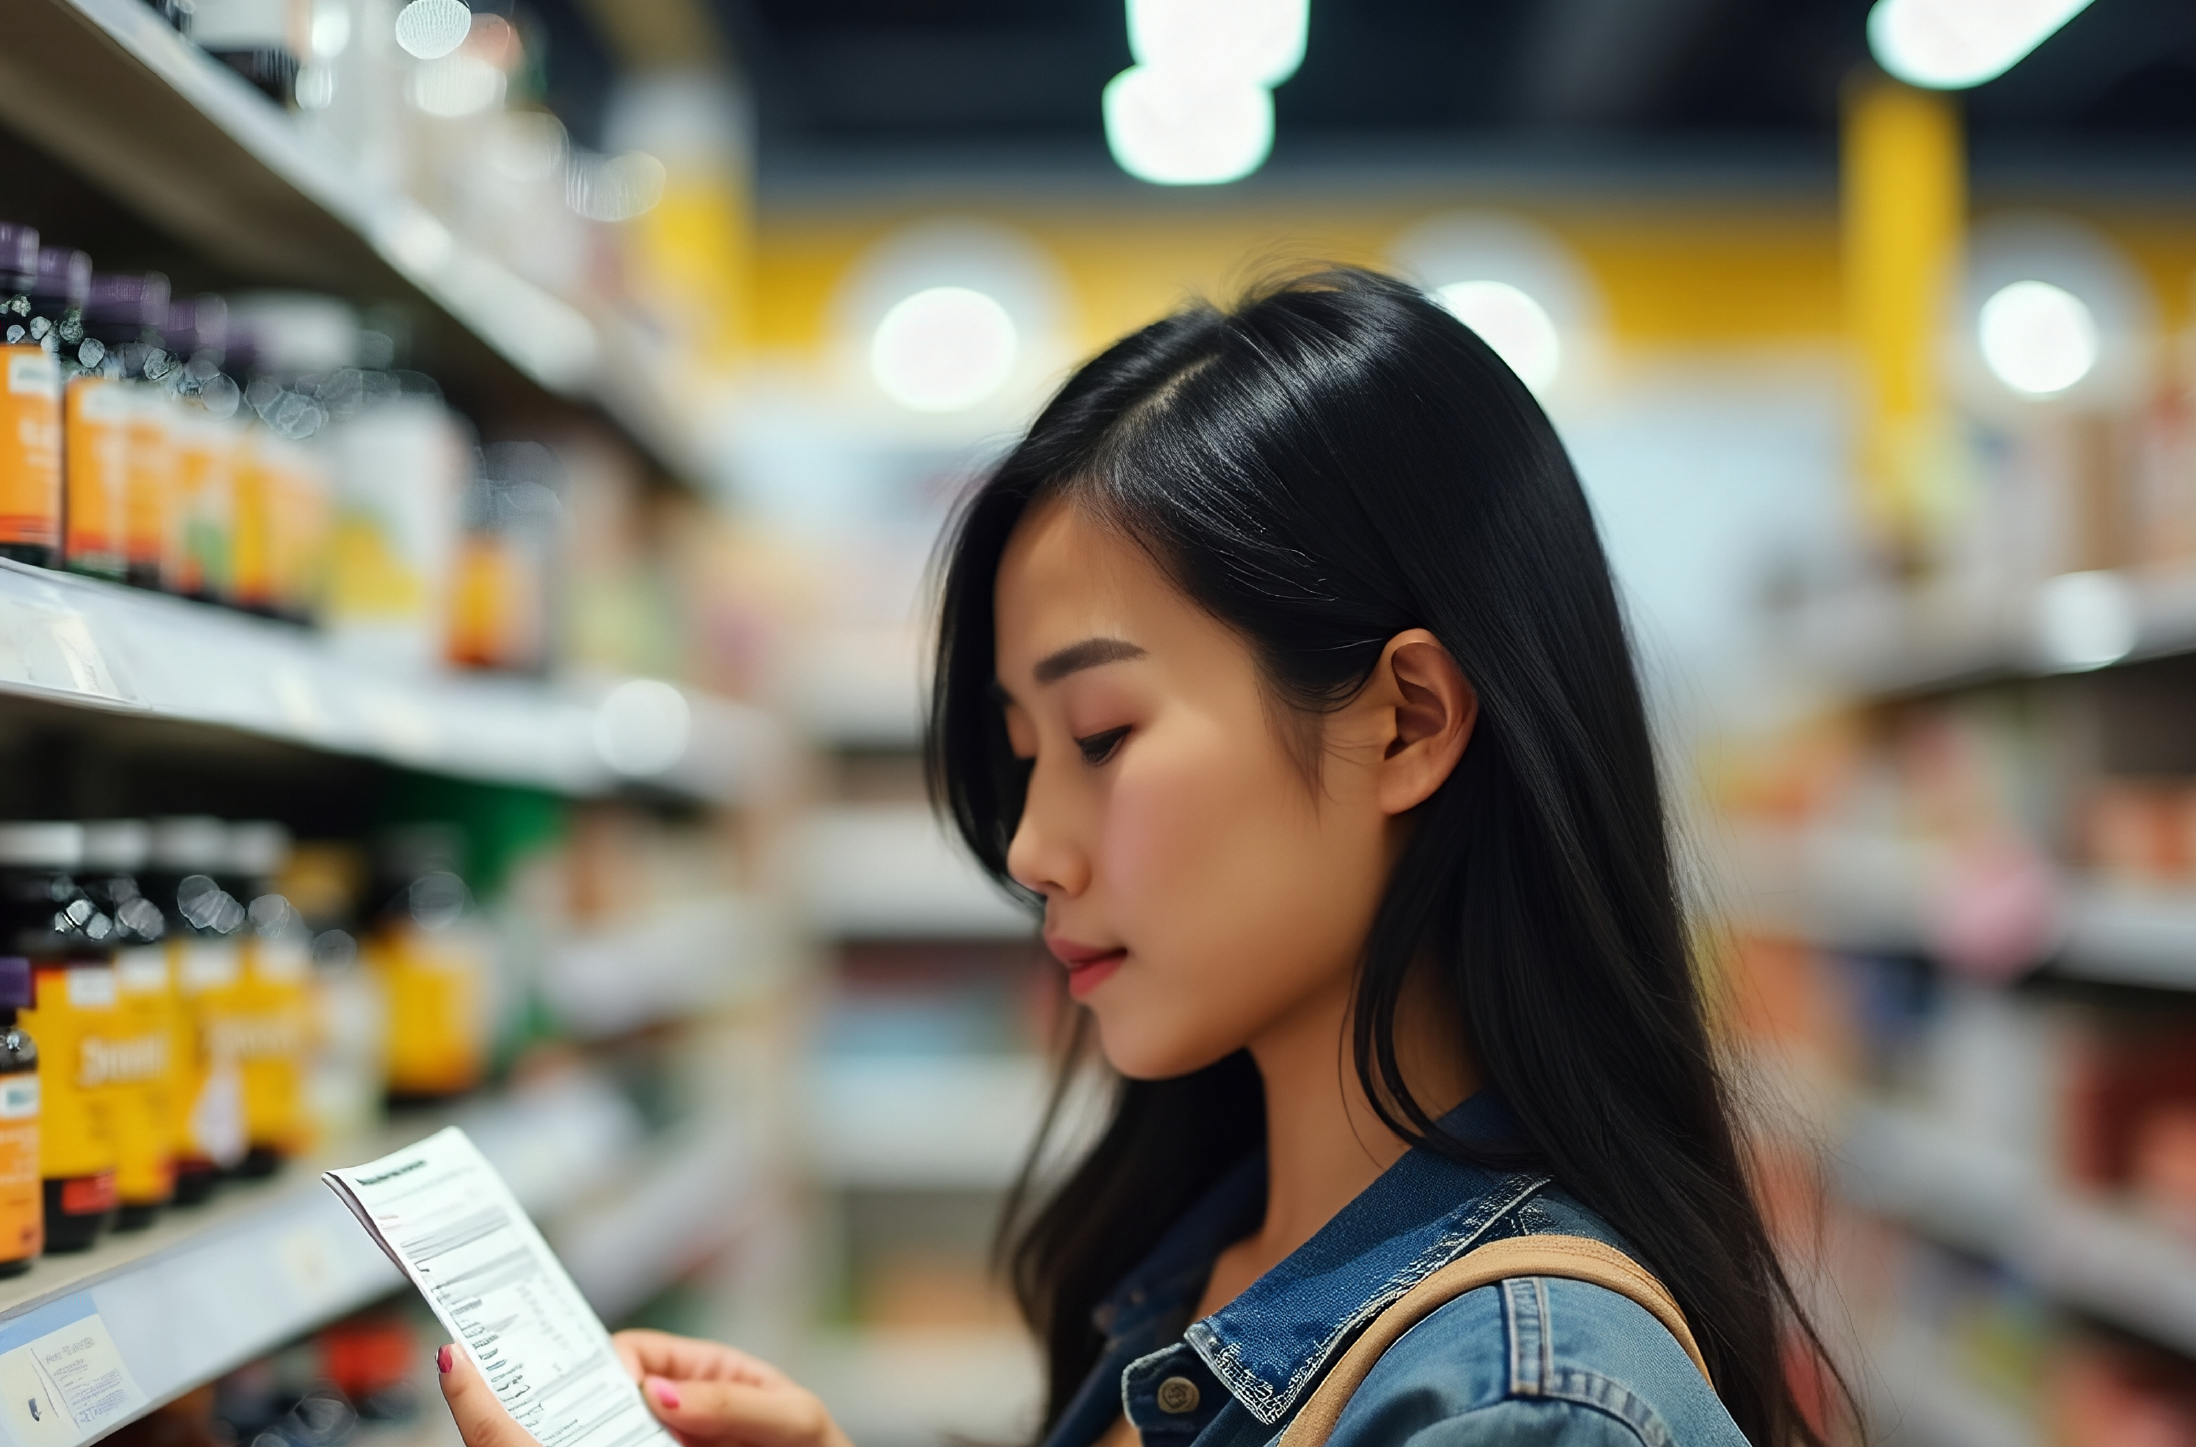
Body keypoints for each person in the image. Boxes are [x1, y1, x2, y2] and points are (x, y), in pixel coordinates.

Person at [433, 266, 1835, 1447]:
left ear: (1403, 720)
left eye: (1102, 733)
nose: (1031, 847)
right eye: (1022, 749)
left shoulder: (1522, 1410)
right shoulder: (1204, 1260)